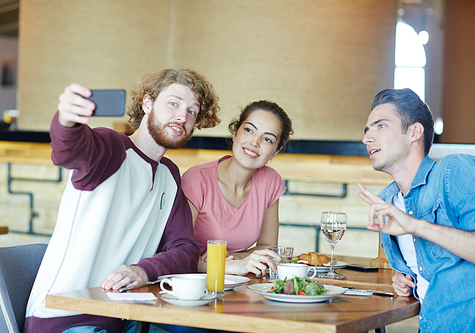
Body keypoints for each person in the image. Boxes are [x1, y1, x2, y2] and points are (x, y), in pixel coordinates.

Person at [24, 68, 221, 333]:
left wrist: (143, 271)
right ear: (147, 103)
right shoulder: (111, 148)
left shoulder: (169, 175)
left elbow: (186, 251)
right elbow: (69, 151)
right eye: (173, 103)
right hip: (65, 318)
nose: (181, 116)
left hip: (125, 317)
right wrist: (67, 121)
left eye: (191, 111)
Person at [357, 88, 475, 332]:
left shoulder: (454, 170)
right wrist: (405, 280)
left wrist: (415, 225)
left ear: (414, 132)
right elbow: (428, 270)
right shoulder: (388, 202)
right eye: (367, 130)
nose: (367, 138)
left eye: (380, 126)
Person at [181, 100, 294, 276]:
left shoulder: (270, 182)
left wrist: (229, 258)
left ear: (275, 151)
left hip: (241, 285)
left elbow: (268, 249)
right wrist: (233, 266)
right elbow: (178, 256)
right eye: (249, 130)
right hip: (193, 285)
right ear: (235, 133)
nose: (254, 142)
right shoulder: (197, 180)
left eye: (267, 139)